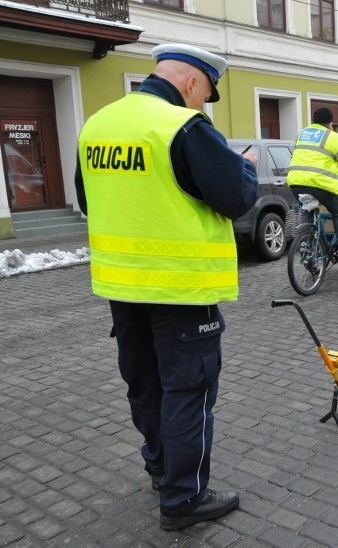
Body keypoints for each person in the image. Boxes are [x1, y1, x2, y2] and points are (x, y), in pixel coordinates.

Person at [74, 43, 260, 531]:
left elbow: (88, 201)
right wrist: (246, 168)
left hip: (122, 285)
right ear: (193, 83)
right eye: (206, 96)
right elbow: (236, 197)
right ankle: (183, 499)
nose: (203, 105)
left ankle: (160, 469)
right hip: (179, 291)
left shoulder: (99, 123)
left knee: (145, 383)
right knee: (189, 392)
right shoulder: (182, 126)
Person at [287, 107, 338, 253]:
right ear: (330, 123)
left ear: (313, 121)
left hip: (295, 182)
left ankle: (305, 242)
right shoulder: (332, 136)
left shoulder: (302, 134)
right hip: (319, 184)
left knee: (307, 208)